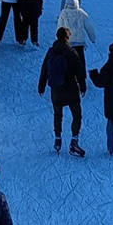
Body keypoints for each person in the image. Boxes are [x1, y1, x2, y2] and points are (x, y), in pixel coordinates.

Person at [38, 25, 89, 156]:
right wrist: (82, 86)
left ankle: (57, 139)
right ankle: (74, 140)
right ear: (68, 37)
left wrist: (41, 86)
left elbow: (44, 69)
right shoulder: (71, 52)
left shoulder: (51, 51)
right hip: (71, 88)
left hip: (56, 89)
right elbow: (79, 70)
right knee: (76, 114)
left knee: (57, 114)